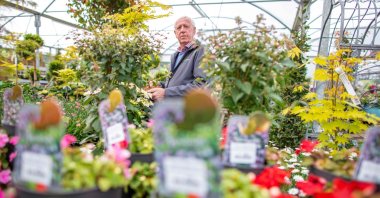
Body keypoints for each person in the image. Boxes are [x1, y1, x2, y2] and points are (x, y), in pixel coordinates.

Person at [148, 16, 206, 101]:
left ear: (194, 30)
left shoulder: (200, 51)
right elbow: (175, 84)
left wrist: (166, 93)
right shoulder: (175, 55)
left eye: (186, 26)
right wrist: (160, 85)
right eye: (179, 28)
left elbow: (201, 85)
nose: (182, 30)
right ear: (175, 33)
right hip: (174, 108)